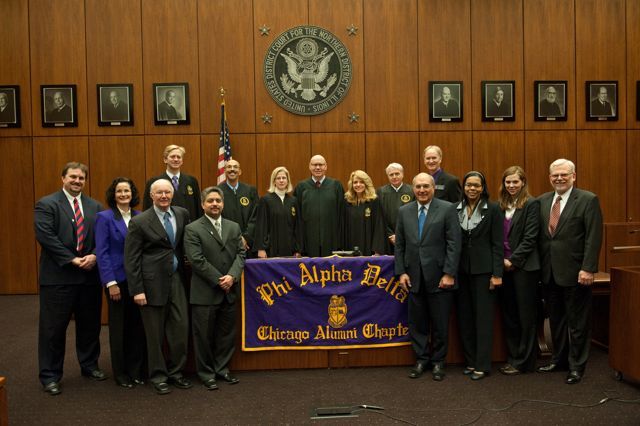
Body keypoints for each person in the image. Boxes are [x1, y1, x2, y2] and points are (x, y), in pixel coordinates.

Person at [34, 162, 106, 396]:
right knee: (53, 330)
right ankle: (50, 375)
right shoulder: (47, 204)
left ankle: (89, 365)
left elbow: (102, 237)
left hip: (89, 277)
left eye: (81, 178)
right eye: (73, 177)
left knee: (90, 325)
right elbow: (46, 237)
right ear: (63, 178)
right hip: (58, 278)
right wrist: (72, 259)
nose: (77, 181)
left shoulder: (94, 206)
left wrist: (94, 255)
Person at [537, 159, 603, 385]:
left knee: (577, 323)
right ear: (550, 177)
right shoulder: (543, 201)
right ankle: (559, 360)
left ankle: (576, 366)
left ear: (574, 176)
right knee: (556, 320)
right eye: (555, 175)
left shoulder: (587, 199)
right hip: (549, 273)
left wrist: (588, 268)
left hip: (576, 273)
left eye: (564, 174)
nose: (559, 178)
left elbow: (593, 237)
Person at [124, 179, 192, 395]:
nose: (164, 196)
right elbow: (131, 259)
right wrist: (137, 290)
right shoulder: (140, 221)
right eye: (159, 192)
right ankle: (159, 376)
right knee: (154, 334)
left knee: (180, 329)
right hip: (151, 285)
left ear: (172, 194)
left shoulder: (182, 214)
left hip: (177, 281)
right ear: (151, 196)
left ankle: (176, 373)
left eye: (167, 192)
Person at [395, 173, 461, 381]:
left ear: (433, 188)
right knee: (417, 323)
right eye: (418, 187)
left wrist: (449, 273)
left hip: (440, 277)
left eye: (426, 186)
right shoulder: (404, 211)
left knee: (440, 323)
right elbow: (400, 245)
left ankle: (439, 362)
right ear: (412, 189)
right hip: (413, 276)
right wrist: (401, 272)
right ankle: (421, 359)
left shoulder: (447, 209)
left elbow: (454, 243)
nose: (422, 190)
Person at [184, 187, 246, 390]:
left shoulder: (233, 227)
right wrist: (221, 280)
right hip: (205, 292)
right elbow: (196, 260)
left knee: (226, 334)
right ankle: (206, 373)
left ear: (223, 203)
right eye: (210, 201)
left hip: (230, 290)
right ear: (203, 204)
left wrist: (233, 277)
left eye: (218, 201)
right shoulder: (193, 228)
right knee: (203, 336)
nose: (215, 204)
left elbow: (240, 255)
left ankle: (222, 369)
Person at [95, 177, 146, 389]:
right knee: (119, 328)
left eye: (127, 191)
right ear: (113, 195)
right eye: (119, 191)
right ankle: (121, 373)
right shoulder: (104, 218)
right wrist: (110, 283)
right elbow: (102, 252)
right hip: (117, 281)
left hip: (137, 281)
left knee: (137, 327)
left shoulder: (140, 216)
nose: (123, 194)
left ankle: (136, 371)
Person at [456, 171, 503, 380]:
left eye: (476, 185)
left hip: (485, 273)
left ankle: (482, 365)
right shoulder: (455, 209)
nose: (472, 189)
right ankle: (471, 361)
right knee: (465, 319)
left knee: (483, 320)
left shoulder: (492, 209)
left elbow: (497, 244)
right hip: (461, 271)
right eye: (468, 185)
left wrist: (497, 274)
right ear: (463, 187)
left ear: (483, 188)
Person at [496, 166, 540, 375]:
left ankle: (526, 361)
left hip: (524, 268)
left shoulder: (531, 204)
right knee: (510, 315)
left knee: (526, 316)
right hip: (503, 267)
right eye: (508, 182)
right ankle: (514, 357)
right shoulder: (502, 205)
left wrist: (513, 260)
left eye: (515, 182)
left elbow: (531, 237)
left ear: (523, 182)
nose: (511, 185)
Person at [294, 154, 344, 257]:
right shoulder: (301, 187)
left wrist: (340, 242)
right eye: (314, 165)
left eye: (320, 165)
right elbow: (296, 218)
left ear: (326, 166)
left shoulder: (336, 186)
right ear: (309, 166)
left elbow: (342, 215)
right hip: (308, 241)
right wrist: (298, 245)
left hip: (331, 240)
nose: (317, 167)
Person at [143, 144, 203, 221]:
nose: (176, 159)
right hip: (164, 225)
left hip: (189, 226)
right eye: (172, 156)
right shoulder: (154, 182)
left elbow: (198, 207)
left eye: (179, 157)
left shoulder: (191, 181)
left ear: (182, 161)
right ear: (165, 159)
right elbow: (147, 207)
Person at [254, 166, 302, 258]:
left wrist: (298, 249)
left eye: (284, 178)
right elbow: (261, 226)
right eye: (278, 178)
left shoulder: (293, 201)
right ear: (274, 181)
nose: (281, 180)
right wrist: (261, 248)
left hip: (290, 249)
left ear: (288, 181)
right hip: (271, 249)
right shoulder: (265, 200)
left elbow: (297, 227)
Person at [217, 159, 258, 255]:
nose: (232, 169)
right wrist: (234, 239)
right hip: (226, 243)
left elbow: (255, 217)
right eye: (229, 167)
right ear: (225, 171)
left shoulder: (250, 190)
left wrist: (245, 238)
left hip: (248, 244)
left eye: (235, 167)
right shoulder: (218, 192)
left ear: (240, 171)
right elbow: (217, 217)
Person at [343, 170, 386, 256]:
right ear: (352, 184)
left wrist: (377, 250)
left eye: (361, 182)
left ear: (366, 183)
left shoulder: (374, 201)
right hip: (350, 247)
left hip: (369, 248)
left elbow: (379, 226)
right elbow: (343, 226)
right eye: (355, 182)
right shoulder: (347, 201)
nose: (358, 185)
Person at [377, 163, 414, 255]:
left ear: (402, 174)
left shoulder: (412, 191)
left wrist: (401, 235)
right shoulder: (381, 192)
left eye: (397, 174)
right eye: (391, 174)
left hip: (408, 236)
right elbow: (380, 217)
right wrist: (390, 235)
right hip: (386, 238)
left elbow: (414, 216)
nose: (394, 177)